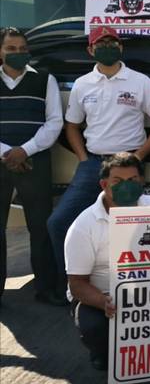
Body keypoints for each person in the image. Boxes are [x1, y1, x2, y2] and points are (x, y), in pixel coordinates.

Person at [47, 26, 150, 295]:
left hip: (128, 165)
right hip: (93, 164)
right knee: (58, 222)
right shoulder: (82, 85)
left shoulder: (140, 81)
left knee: (137, 229)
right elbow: (71, 127)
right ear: (91, 50)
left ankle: (140, 289)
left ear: (120, 47)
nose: (107, 47)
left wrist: (137, 157)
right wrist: (82, 159)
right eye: (100, 43)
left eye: (112, 42)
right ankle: (71, 288)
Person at [64, 153, 150, 370]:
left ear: (142, 182)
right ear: (104, 184)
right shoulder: (84, 225)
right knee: (95, 327)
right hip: (103, 298)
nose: (126, 187)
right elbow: (77, 284)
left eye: (133, 180)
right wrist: (104, 302)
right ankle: (102, 352)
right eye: (118, 182)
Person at [0, 27, 63, 306]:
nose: (18, 54)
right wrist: (7, 153)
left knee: (40, 227)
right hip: (2, 160)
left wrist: (25, 150)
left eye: (22, 49)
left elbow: (54, 122)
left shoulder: (45, 80)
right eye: (11, 49)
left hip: (34, 161)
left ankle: (45, 288)